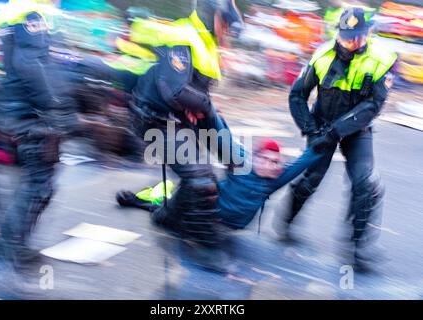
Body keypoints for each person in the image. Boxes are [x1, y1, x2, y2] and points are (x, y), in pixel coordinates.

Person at [116, 0, 244, 262]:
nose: (226, 31)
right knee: (200, 178)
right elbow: (175, 90)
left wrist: (229, 153)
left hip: (177, 121)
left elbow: (202, 102)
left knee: (208, 172)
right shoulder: (182, 36)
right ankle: (207, 246)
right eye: (225, 23)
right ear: (211, 15)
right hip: (154, 121)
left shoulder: (206, 43)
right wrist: (207, 109)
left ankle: (167, 217)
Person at [272, 7, 397, 269]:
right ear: (338, 34)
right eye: (347, 36)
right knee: (311, 178)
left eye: (358, 37)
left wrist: (336, 130)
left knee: (365, 183)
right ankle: (285, 222)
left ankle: (358, 247)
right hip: (321, 126)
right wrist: (310, 128)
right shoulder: (321, 56)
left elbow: (373, 106)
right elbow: (297, 96)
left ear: (368, 33)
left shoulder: (381, 59)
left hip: (356, 131)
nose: (352, 42)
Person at [0, 0, 75, 267]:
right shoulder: (30, 15)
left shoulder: (17, 14)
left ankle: (13, 242)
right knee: (38, 186)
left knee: (35, 184)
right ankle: (10, 246)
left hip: (20, 112)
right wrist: (55, 104)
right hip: (32, 114)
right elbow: (31, 63)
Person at [117, 140, 322, 233]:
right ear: (256, 159)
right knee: (162, 217)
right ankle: (139, 201)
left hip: (223, 225)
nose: (272, 165)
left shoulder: (273, 180)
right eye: (267, 159)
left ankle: (159, 198)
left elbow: (302, 162)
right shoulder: (240, 164)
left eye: (276, 162)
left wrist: (327, 140)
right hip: (203, 211)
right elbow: (219, 138)